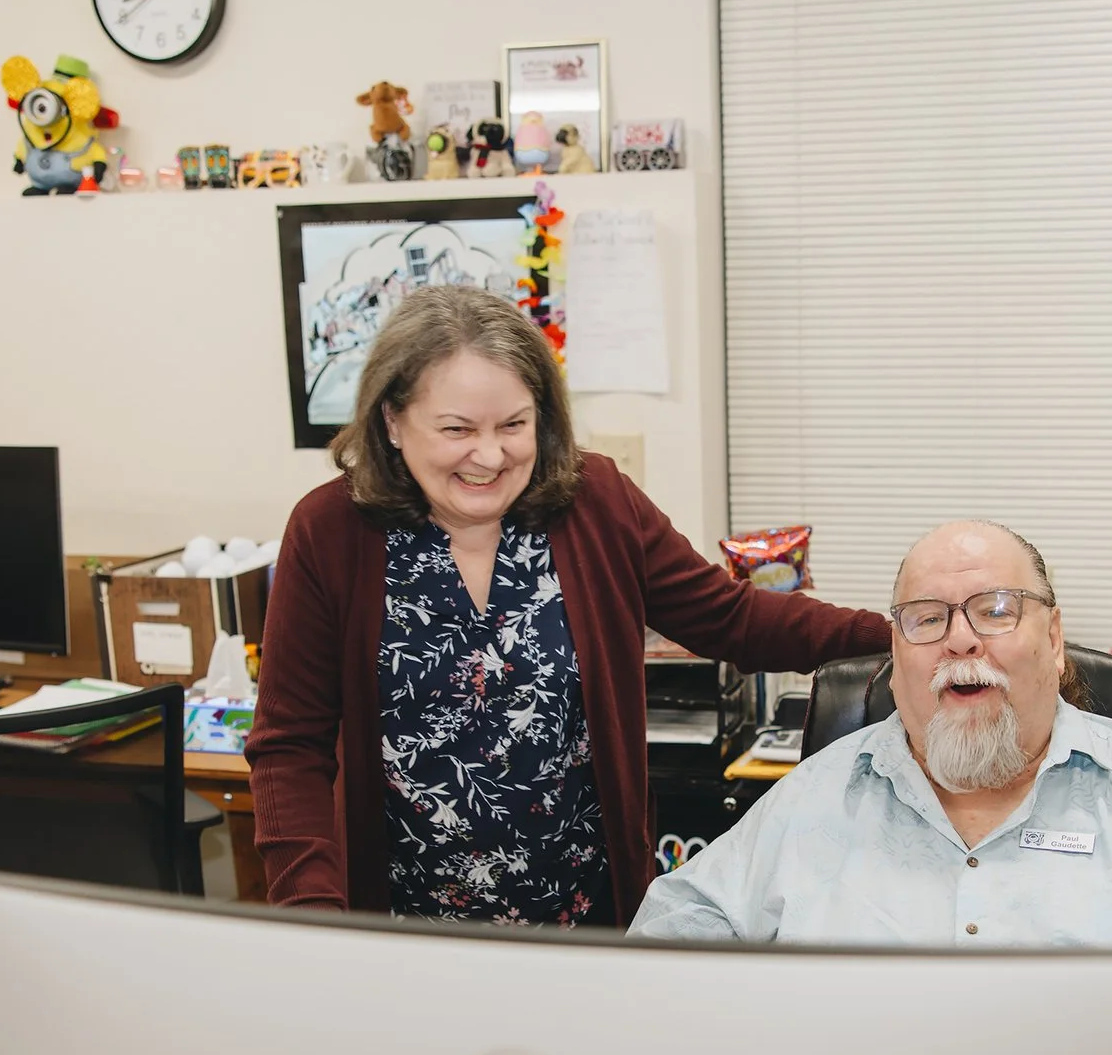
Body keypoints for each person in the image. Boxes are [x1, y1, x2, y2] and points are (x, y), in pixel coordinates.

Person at [248, 286, 889, 926]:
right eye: (456, 429)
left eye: (513, 425)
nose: (491, 456)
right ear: (392, 420)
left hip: (587, 921)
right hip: (403, 930)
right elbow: (289, 748)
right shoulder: (330, 531)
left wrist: (906, 633)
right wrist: (312, 915)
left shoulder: (597, 501)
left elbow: (733, 620)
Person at [630, 520, 1112, 1055]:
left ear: (1054, 640)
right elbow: (662, 955)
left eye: (997, 610)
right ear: (896, 658)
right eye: (927, 618)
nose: (961, 638)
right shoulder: (812, 800)